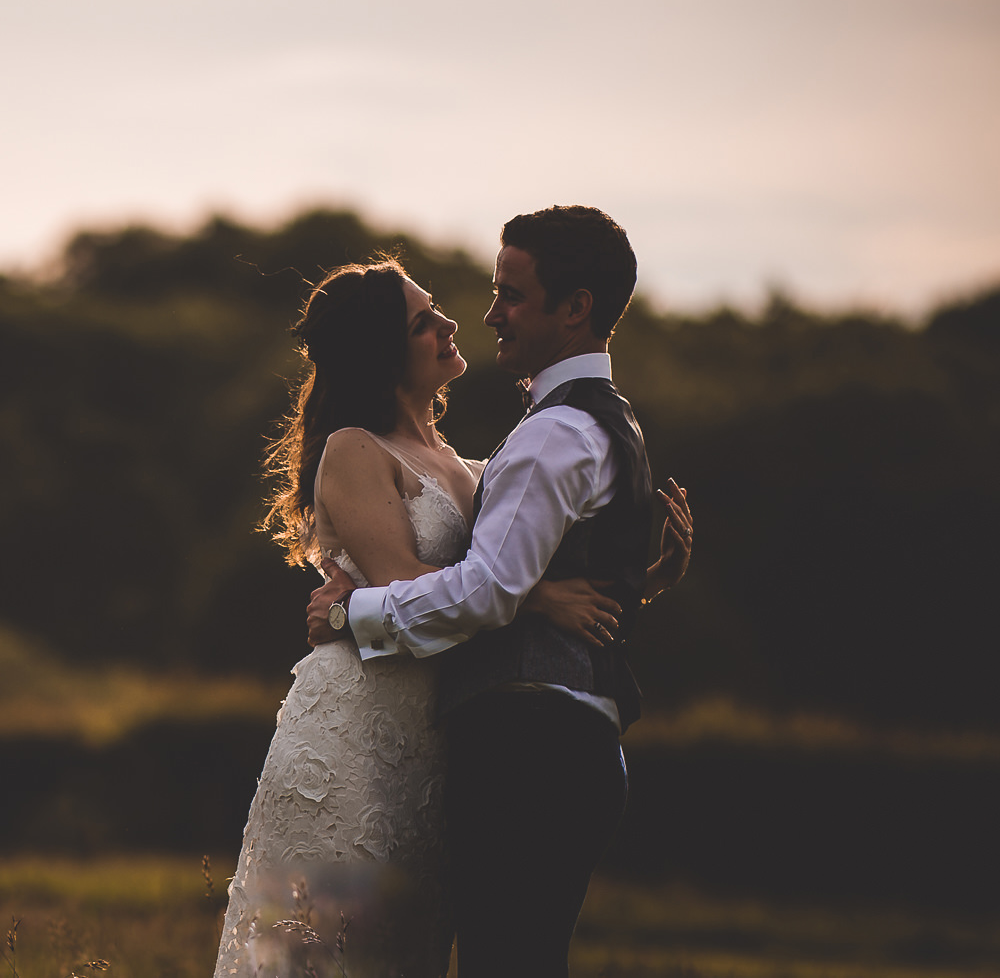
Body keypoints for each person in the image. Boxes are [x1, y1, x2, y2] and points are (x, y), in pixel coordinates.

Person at [212, 239, 690, 978]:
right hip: (359, 734)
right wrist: (538, 598)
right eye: (424, 322)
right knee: (328, 950)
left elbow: (507, 573)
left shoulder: (472, 464)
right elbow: (410, 579)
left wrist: (637, 580)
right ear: (385, 353)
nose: (452, 325)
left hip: (433, 742)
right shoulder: (353, 448)